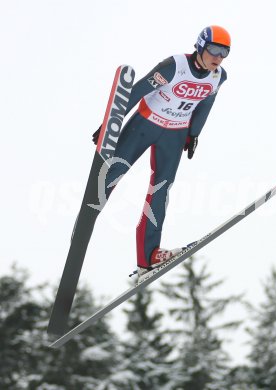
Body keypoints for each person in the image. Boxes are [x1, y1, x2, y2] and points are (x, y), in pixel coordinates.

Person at [93, 25, 231, 281]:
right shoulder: (173, 66)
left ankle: (148, 256)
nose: (218, 57)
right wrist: (110, 123)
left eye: (224, 53)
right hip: (146, 123)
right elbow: (136, 91)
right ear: (201, 45)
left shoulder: (217, 77)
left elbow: (206, 105)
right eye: (213, 49)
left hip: (175, 132)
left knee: (161, 190)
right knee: (115, 172)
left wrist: (193, 134)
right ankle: (88, 216)